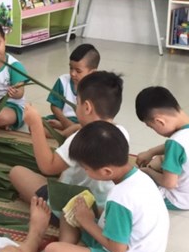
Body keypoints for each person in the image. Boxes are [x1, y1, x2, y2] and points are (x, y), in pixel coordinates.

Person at [29, 121, 169, 252]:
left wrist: (87, 222)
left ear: (106, 171)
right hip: (125, 247)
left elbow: (118, 248)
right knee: (70, 209)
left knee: (53, 251)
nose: (85, 172)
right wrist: (91, 214)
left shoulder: (122, 197)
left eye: (86, 169)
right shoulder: (137, 178)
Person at [9, 71, 128, 211]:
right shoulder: (121, 133)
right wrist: (70, 128)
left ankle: (47, 209)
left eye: (77, 103)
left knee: (16, 173)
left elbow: (47, 166)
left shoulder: (81, 138)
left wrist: (35, 124)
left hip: (70, 206)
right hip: (103, 204)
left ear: (87, 107)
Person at [135, 86, 189, 210]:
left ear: (159, 121)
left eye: (151, 127)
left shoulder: (176, 143)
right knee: (160, 159)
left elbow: (169, 183)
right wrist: (150, 152)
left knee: (133, 184)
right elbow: (181, 147)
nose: (153, 130)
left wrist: (148, 172)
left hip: (180, 200)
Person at [48, 43, 99, 134]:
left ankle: (67, 132)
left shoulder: (98, 88)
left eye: (78, 71)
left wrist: (71, 126)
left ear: (92, 73)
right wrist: (65, 122)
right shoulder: (63, 81)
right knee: (37, 124)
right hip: (63, 119)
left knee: (93, 131)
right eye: (71, 68)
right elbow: (55, 106)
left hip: (84, 124)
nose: (72, 73)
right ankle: (70, 132)